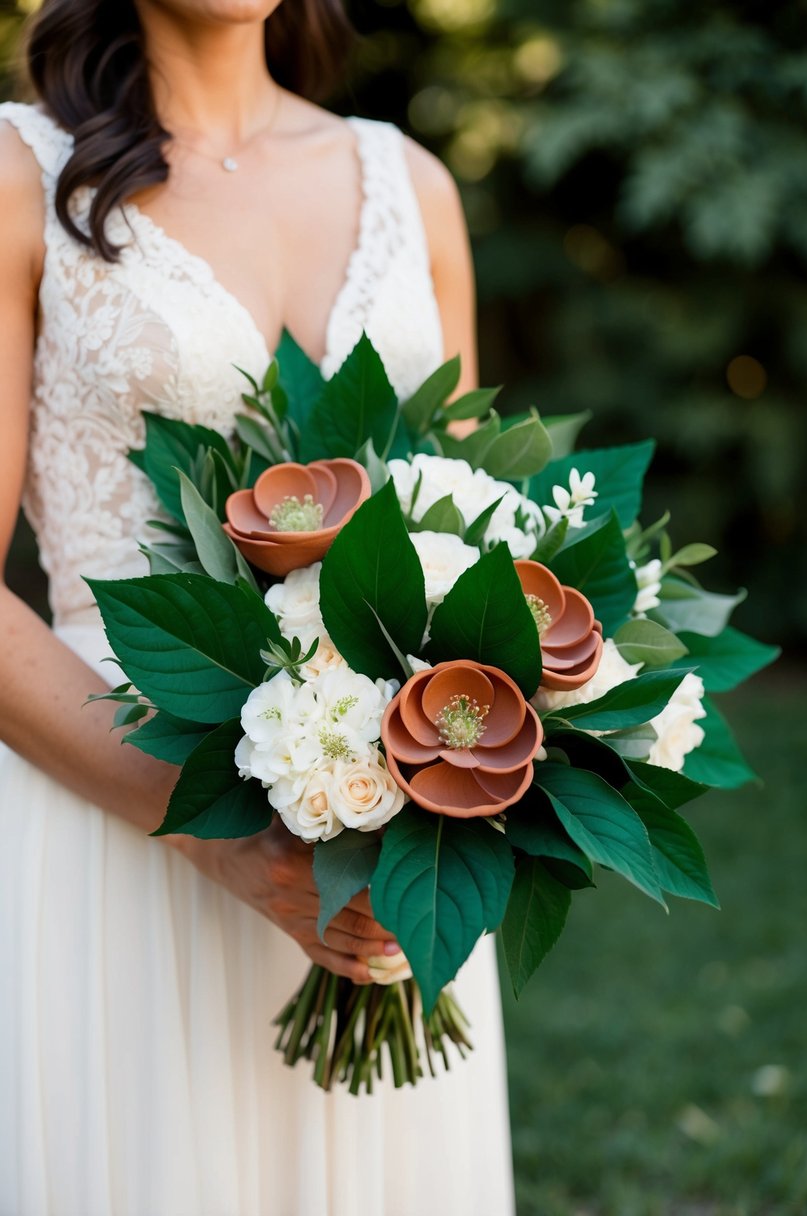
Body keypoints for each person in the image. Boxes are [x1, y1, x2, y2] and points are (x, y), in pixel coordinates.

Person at [0, 2, 515, 1213]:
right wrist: (226, 843)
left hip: (390, 846)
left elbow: (486, 551)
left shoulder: (410, 183)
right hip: (115, 811)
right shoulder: (22, 172)